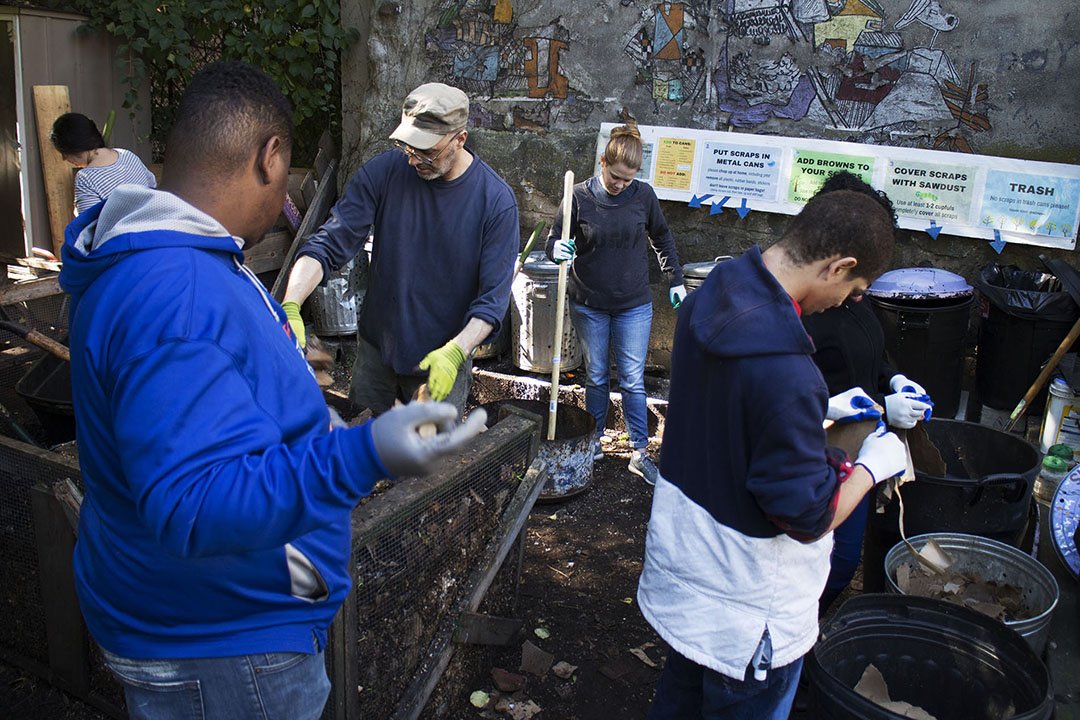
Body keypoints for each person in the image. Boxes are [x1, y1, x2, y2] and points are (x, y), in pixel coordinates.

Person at [58, 61, 485, 720]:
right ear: (271, 156)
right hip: (224, 644)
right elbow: (193, 505)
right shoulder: (178, 291)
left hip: (237, 608)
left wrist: (313, 422)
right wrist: (360, 455)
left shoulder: (182, 259)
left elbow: (210, 424)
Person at [636, 190, 907, 719]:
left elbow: (729, 415)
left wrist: (819, 411)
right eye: (855, 289)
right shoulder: (788, 373)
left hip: (687, 584)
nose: (848, 301)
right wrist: (875, 464)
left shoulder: (708, 295)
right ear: (839, 266)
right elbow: (809, 516)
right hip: (747, 616)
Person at [282, 82, 519, 416]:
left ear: (460, 139)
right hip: (376, 353)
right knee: (359, 449)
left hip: (440, 362)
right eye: (409, 147)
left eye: (427, 150)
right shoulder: (384, 173)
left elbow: (492, 302)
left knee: (428, 466)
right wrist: (292, 302)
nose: (414, 160)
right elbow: (329, 242)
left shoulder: (495, 203)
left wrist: (455, 353)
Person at [802, 171, 933, 612]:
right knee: (828, 557)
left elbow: (873, 356)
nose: (862, 293)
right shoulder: (811, 311)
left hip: (860, 451)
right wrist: (878, 411)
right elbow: (796, 395)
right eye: (858, 281)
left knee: (842, 556)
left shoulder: (855, 298)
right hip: (824, 451)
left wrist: (894, 380)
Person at [546, 124, 685, 485]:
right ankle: (593, 441)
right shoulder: (577, 196)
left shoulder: (643, 196)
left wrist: (676, 279)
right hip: (589, 300)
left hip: (634, 303)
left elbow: (663, 238)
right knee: (595, 374)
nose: (621, 185)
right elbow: (553, 238)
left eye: (628, 179)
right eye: (615, 176)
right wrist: (555, 250)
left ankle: (639, 451)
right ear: (602, 161)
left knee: (633, 379)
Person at [50, 112, 157, 214]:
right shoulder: (127, 155)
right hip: (156, 224)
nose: (64, 158)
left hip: (123, 232)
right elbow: (152, 185)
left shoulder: (85, 178)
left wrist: (77, 213)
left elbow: (88, 226)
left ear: (73, 148)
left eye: (64, 152)